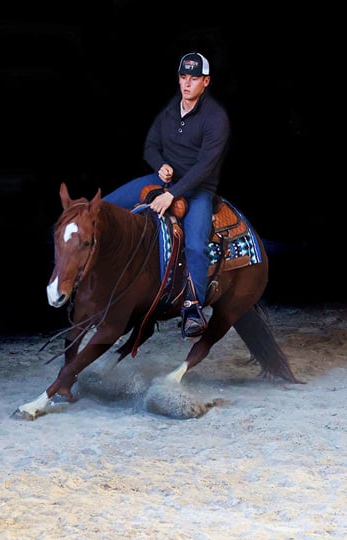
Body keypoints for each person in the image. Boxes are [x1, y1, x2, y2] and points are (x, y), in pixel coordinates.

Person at [103, 51, 231, 338]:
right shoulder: (171, 110)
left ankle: (192, 308)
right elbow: (150, 145)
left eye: (194, 78)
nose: (187, 84)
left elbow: (205, 167)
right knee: (105, 207)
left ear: (206, 81)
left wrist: (171, 194)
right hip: (163, 180)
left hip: (198, 189)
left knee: (196, 244)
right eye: (183, 77)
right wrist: (160, 166)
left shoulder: (215, 118)